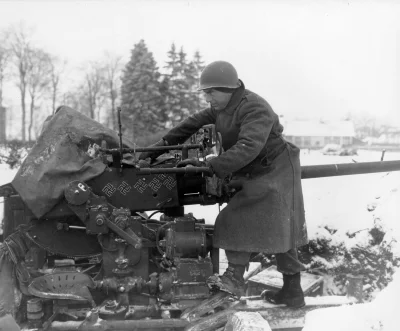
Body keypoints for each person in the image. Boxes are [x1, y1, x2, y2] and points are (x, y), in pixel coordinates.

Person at [139, 61, 308, 308]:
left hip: (276, 170)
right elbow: (189, 125)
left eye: (211, 92)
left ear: (229, 89)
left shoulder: (255, 108)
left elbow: (249, 146)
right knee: (279, 228)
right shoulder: (221, 107)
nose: (207, 98)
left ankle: (234, 279)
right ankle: (293, 292)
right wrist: (156, 150)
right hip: (255, 169)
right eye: (205, 93)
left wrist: (213, 166)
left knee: (238, 218)